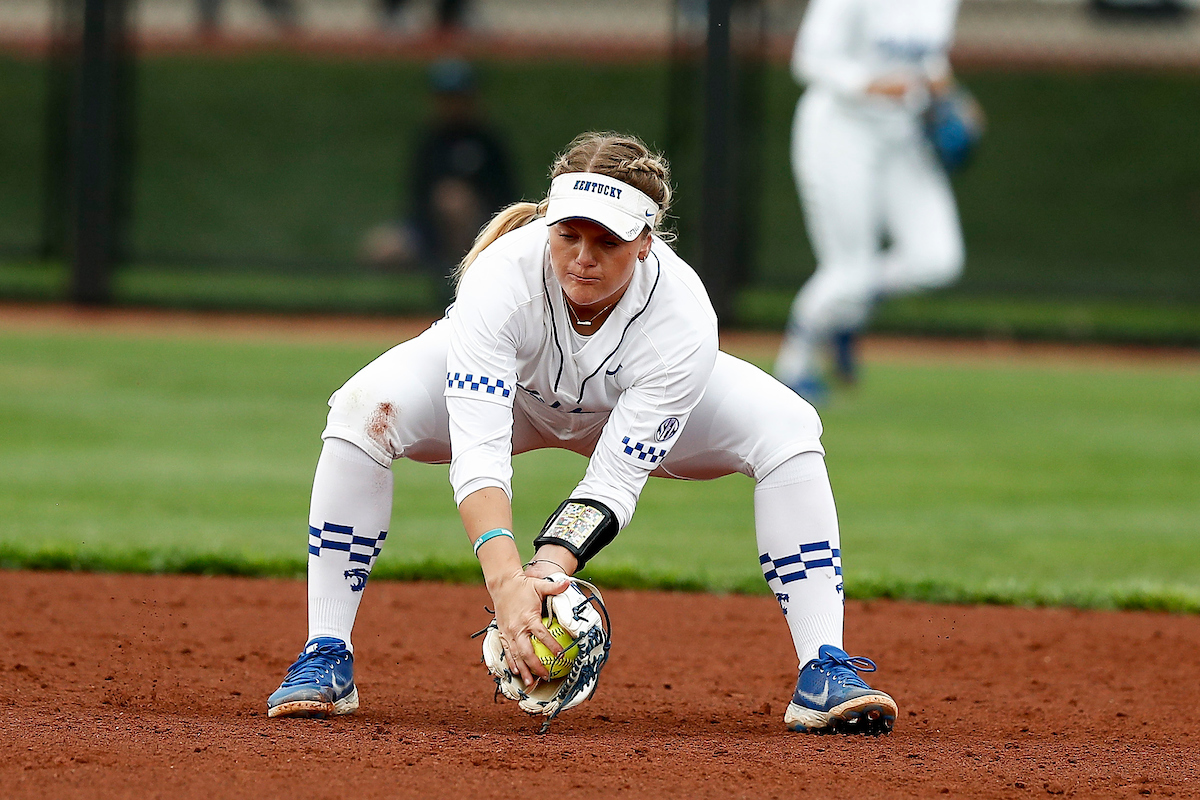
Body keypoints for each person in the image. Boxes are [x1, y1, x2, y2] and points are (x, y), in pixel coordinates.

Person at [269, 132, 898, 734]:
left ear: (646, 242)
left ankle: (824, 667)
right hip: (513, 402)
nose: (583, 257)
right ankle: (326, 652)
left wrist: (546, 572)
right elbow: (480, 452)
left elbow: (614, 479)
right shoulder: (501, 277)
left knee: (789, 428)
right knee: (360, 412)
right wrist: (506, 582)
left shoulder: (682, 318)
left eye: (608, 241)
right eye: (568, 235)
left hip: (620, 412)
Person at [774, 0, 967, 403]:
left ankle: (849, 310)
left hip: (904, 132)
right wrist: (869, 84)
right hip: (841, 128)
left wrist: (951, 96)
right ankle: (794, 367)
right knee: (849, 271)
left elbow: (929, 59)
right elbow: (808, 60)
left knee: (936, 260)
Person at [360, 59, 517, 306]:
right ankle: (390, 309)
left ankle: (458, 284)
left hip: (480, 232)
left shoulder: (488, 143)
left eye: (458, 97)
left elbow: (506, 200)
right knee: (381, 248)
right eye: (446, 97)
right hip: (429, 230)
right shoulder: (429, 142)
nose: (452, 105)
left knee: (454, 201)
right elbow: (416, 199)